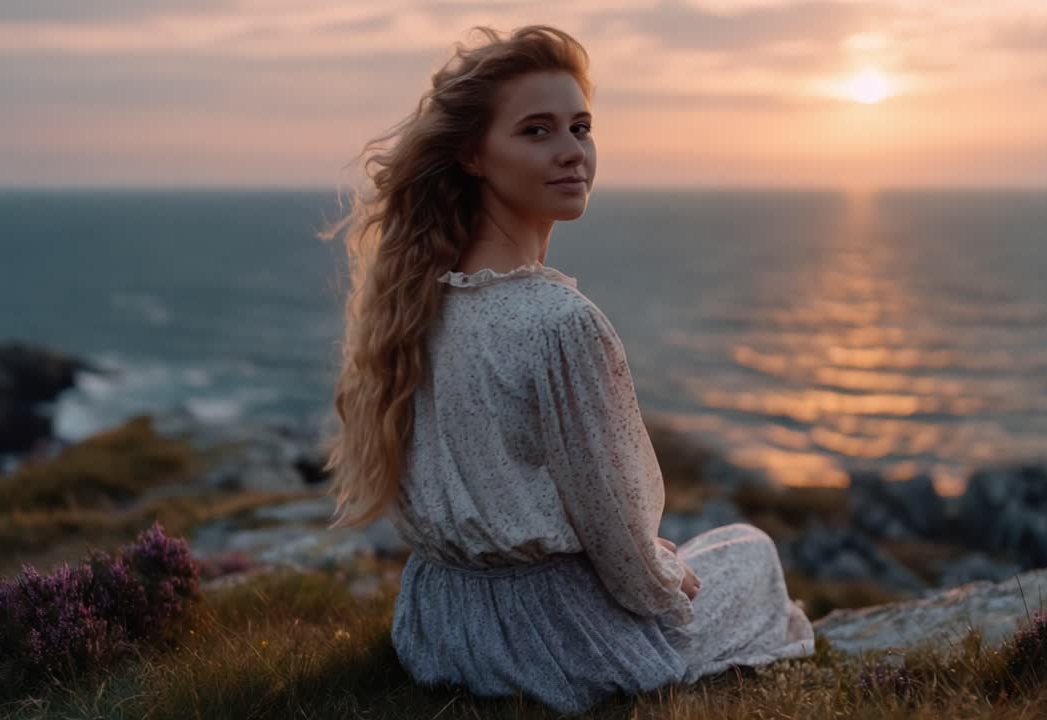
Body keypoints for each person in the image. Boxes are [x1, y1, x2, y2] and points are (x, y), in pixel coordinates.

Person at [321, 23, 814, 715]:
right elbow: (623, 548)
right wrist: (661, 573)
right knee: (752, 550)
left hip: (439, 628)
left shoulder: (412, 303)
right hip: (560, 642)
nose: (571, 153)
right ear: (472, 155)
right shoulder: (559, 323)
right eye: (537, 131)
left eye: (580, 127)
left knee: (707, 551)